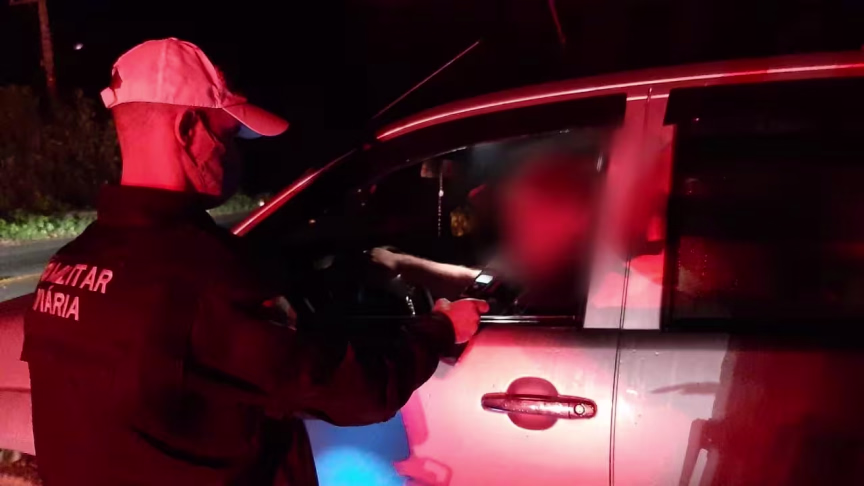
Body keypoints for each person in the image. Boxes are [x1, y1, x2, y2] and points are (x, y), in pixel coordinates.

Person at [21, 38, 487, 486]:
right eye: (228, 137)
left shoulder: (68, 265)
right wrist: (441, 328)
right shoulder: (205, 275)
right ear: (188, 130)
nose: (234, 154)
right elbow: (358, 392)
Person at [371, 146, 601, 315]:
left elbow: (497, 293)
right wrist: (401, 263)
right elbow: (485, 284)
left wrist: (403, 265)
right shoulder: (542, 261)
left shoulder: (575, 280)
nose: (475, 195)